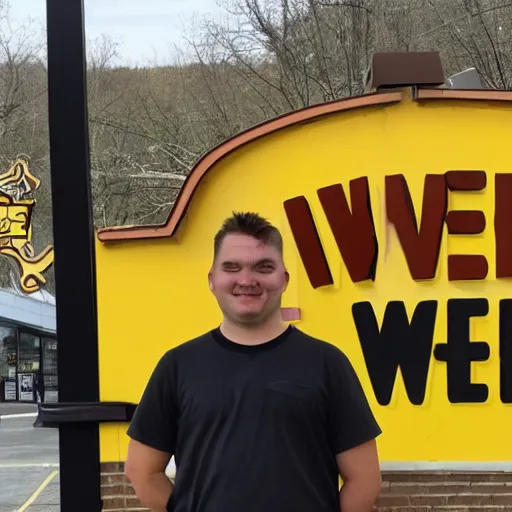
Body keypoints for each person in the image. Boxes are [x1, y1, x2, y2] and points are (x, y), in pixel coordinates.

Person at [125, 211, 382, 512]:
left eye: (263, 267)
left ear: (284, 279)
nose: (246, 280)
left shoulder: (327, 364)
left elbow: (364, 480)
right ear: (212, 279)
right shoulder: (178, 366)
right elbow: (142, 471)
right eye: (232, 267)